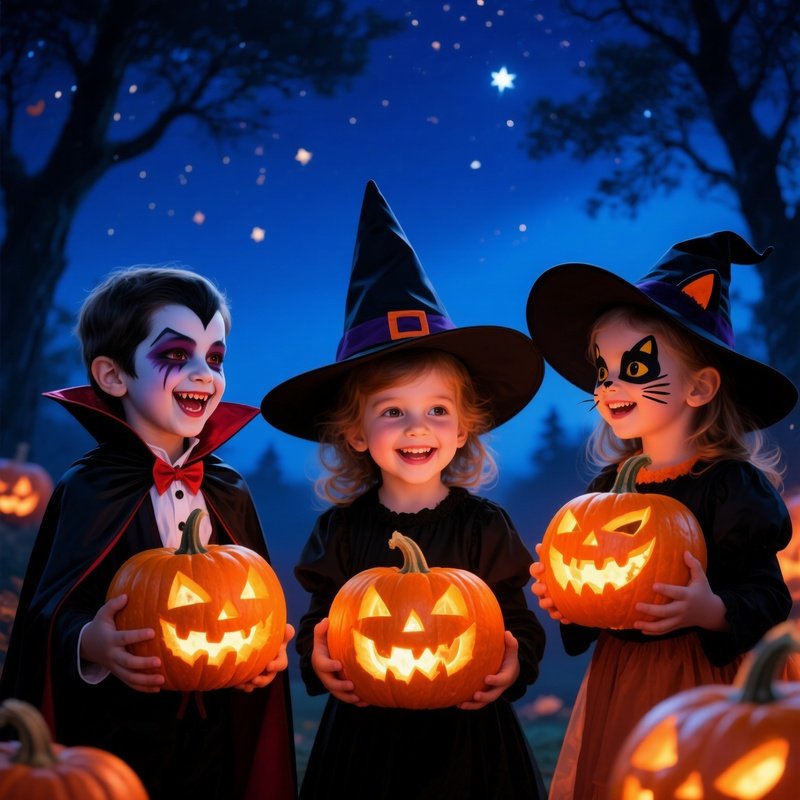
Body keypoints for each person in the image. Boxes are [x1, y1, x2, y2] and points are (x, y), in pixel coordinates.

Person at [261, 180, 548, 799]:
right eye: (393, 411)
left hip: (471, 744)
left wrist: (513, 662)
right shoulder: (340, 531)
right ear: (356, 432)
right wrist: (319, 658)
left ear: (464, 427)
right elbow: (319, 622)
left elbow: (517, 621)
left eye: (437, 410)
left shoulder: (484, 527)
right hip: (366, 744)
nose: (418, 427)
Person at [0, 266, 297, 800]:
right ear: (113, 376)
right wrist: (89, 642)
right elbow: (49, 611)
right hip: (115, 730)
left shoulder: (229, 488)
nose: (204, 375)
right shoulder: (89, 488)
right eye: (177, 356)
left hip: (213, 729)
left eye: (215, 358)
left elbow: (254, 596)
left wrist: (266, 649)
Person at [526, 231, 797, 799]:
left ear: (699, 387)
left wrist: (712, 610)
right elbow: (602, 599)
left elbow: (769, 596)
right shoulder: (606, 491)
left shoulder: (730, 487)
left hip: (702, 679)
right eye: (603, 369)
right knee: (618, 778)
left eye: (635, 366)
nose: (610, 385)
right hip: (619, 677)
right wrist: (568, 603)